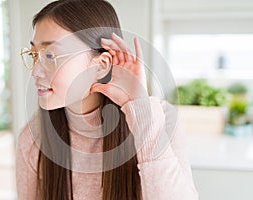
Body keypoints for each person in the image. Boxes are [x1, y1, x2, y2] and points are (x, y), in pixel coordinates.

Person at [16, 0, 199, 199]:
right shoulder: (33, 139)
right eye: (34, 54)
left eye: (50, 55)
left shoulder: (161, 119)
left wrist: (139, 107)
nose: (35, 71)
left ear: (101, 65)